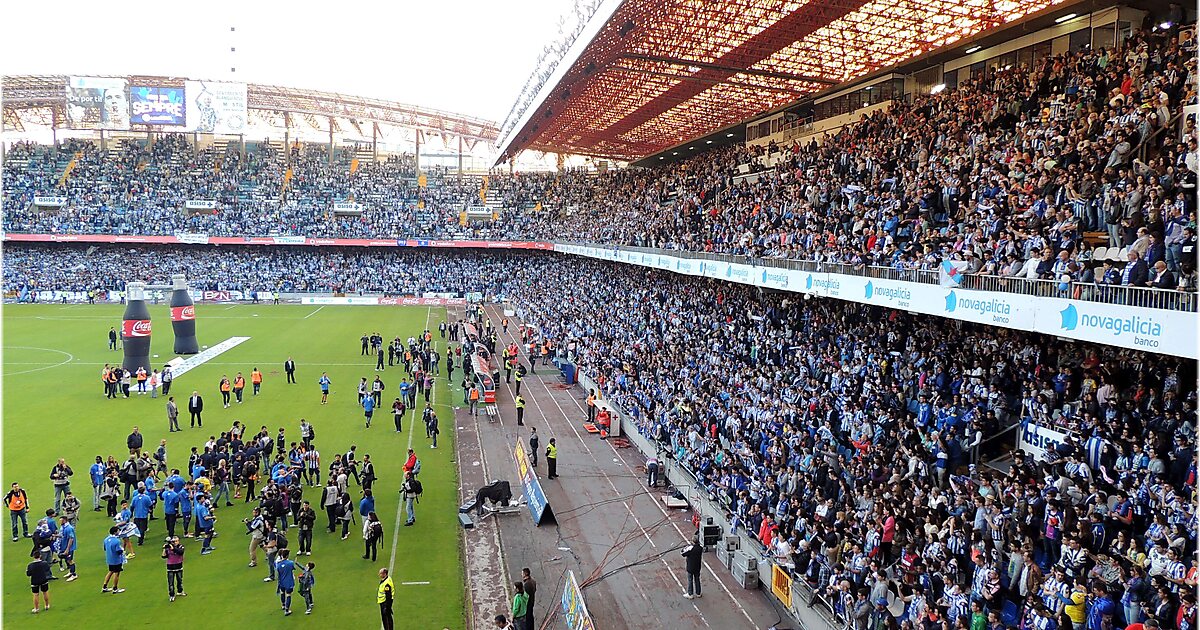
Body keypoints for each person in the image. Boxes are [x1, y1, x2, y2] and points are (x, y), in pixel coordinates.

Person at [102, 526, 126, 594]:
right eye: (118, 531)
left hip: (109, 559)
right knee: (117, 573)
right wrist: (122, 550)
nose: (119, 532)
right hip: (116, 560)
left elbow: (105, 548)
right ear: (115, 532)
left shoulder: (106, 539)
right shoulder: (116, 541)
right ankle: (115, 588)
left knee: (110, 571)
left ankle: (104, 586)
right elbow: (118, 551)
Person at [162, 536, 186, 601]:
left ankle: (180, 591)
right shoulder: (168, 548)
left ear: (178, 541)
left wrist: (173, 548)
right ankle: (171, 595)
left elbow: (180, 552)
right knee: (171, 583)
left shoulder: (181, 546)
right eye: (173, 541)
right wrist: (164, 549)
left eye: (176, 541)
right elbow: (163, 556)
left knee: (179, 580)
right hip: (170, 567)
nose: (174, 542)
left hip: (178, 566)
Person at [275, 548, 297, 615]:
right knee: (288, 595)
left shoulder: (278, 564)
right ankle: (287, 610)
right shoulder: (290, 563)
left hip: (282, 582)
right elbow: (293, 568)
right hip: (289, 582)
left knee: (282, 592)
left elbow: (278, 572)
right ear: (287, 555)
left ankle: (283, 605)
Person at [682, 534, 703, 599]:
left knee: (690, 580)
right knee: (697, 579)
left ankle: (690, 593)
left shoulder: (691, 549)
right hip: (697, 567)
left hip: (691, 567)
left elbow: (683, 553)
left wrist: (686, 548)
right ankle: (698, 593)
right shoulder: (700, 548)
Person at [56, 515, 77, 581]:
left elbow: (71, 539)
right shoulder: (63, 527)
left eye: (61, 520)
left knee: (70, 560)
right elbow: (62, 535)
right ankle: (71, 572)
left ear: (65, 520)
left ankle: (74, 574)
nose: (60, 522)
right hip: (64, 546)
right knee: (67, 560)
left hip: (69, 548)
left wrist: (67, 549)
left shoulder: (69, 528)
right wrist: (56, 535)